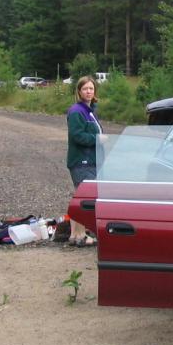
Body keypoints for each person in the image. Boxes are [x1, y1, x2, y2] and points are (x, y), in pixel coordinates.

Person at [65, 75, 101, 246]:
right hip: (82, 161)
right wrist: (98, 139)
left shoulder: (90, 110)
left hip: (90, 160)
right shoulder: (76, 111)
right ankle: (80, 235)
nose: (89, 91)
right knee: (84, 198)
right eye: (85, 88)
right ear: (79, 91)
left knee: (79, 196)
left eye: (91, 88)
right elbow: (77, 136)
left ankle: (75, 234)